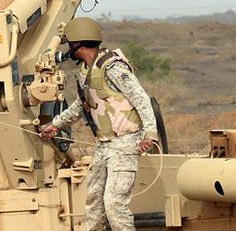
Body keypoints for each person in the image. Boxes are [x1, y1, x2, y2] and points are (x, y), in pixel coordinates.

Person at [39, 17, 157, 231]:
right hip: (105, 145)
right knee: (94, 204)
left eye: (70, 44)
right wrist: (56, 124)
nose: (68, 50)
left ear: (77, 43)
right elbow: (81, 105)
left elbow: (141, 98)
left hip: (126, 143)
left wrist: (150, 133)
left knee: (114, 204)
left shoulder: (112, 67)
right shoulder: (87, 71)